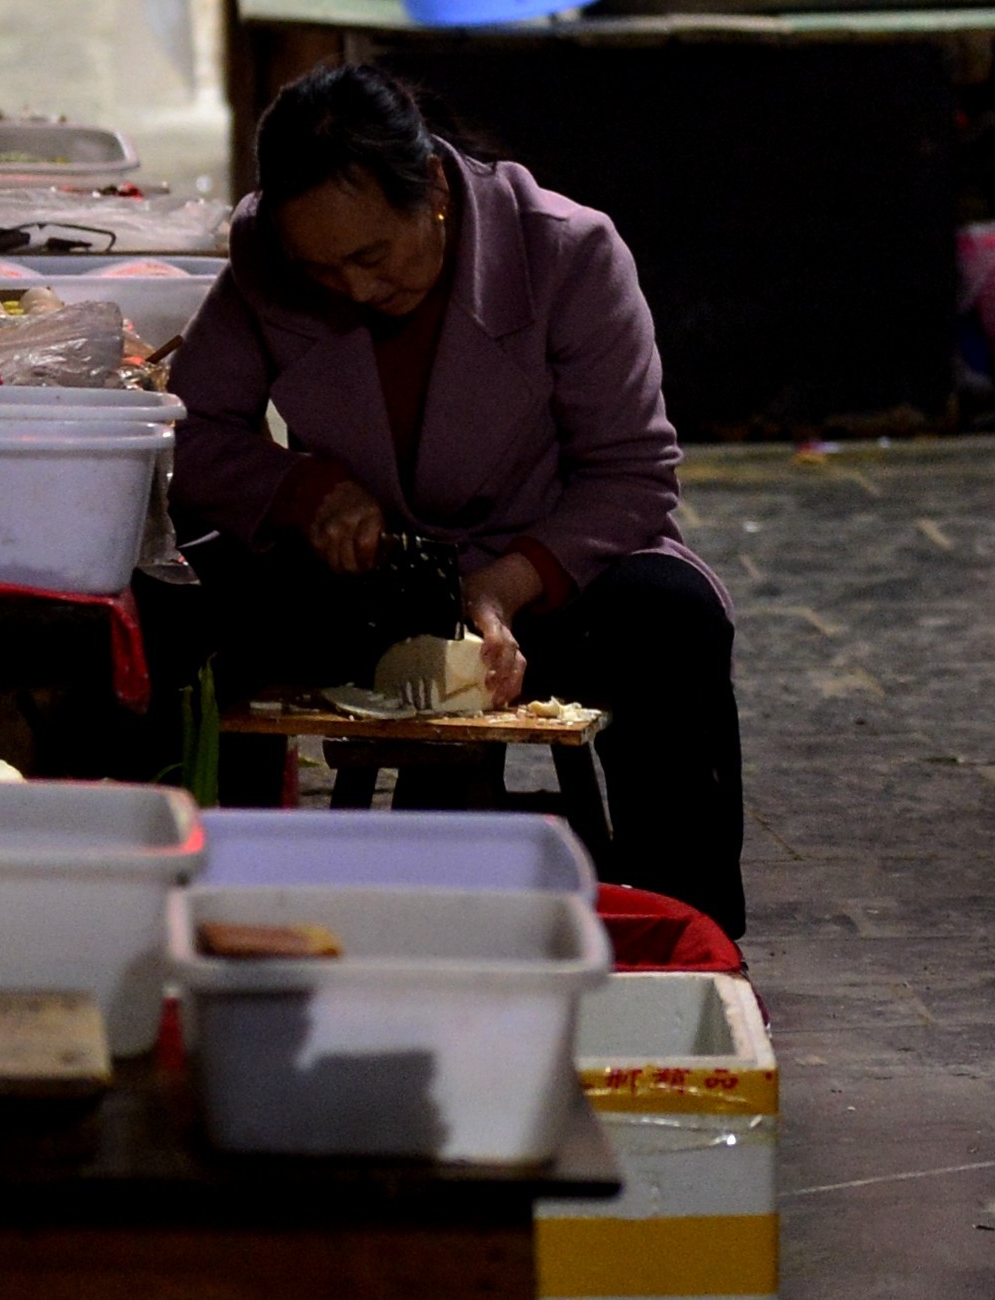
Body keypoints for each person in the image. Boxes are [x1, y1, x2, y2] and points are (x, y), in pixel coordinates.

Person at [170, 60, 746, 934]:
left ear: (433, 187)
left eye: (373, 255)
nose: (357, 289)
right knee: (176, 608)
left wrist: (504, 587)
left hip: (543, 574)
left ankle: (682, 928)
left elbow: (632, 475)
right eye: (324, 271)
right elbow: (195, 429)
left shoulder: (566, 251)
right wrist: (305, 490)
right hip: (368, 578)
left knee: (672, 620)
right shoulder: (268, 258)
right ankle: (214, 898)